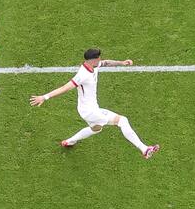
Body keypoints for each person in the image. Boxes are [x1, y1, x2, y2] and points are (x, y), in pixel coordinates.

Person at [29, 49, 160, 158]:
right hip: (90, 111)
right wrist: (44, 97)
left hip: (88, 110)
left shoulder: (94, 65)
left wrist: (122, 62)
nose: (100, 60)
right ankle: (144, 149)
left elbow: (106, 63)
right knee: (122, 120)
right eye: (98, 58)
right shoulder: (82, 75)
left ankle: (69, 141)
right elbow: (65, 88)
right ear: (92, 60)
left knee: (96, 129)